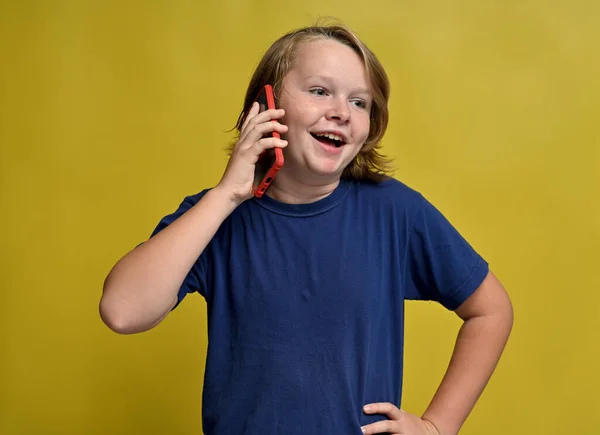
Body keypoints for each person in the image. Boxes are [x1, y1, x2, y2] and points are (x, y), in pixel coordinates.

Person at [100, 22, 513, 435]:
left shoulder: (394, 211)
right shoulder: (214, 218)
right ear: (264, 107)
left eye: (359, 102)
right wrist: (227, 194)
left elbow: (491, 310)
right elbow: (122, 311)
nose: (341, 111)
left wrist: (436, 427)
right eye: (319, 91)